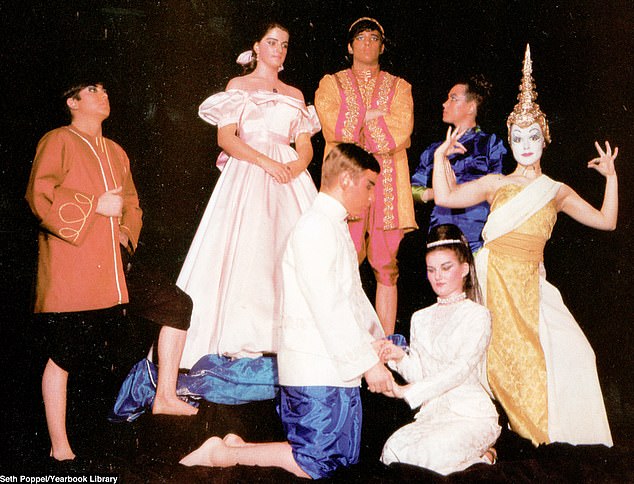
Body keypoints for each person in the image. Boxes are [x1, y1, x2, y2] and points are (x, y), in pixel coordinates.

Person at [432, 45, 615, 446]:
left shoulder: (557, 191)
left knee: (578, 355)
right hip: (493, 283)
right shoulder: (498, 183)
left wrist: (611, 176)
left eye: (533, 136)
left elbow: (607, 220)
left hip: (532, 288)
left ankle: (559, 437)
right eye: (517, 136)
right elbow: (445, 197)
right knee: (493, 363)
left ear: (544, 139)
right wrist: (440, 158)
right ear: (510, 140)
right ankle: (511, 438)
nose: (525, 143)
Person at [179, 143, 395, 479]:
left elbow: (351, 300)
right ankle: (222, 453)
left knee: (339, 461)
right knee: (316, 463)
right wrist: (369, 365)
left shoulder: (333, 226)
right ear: (346, 180)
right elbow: (329, 307)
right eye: (369, 186)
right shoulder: (315, 228)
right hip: (315, 371)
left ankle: (233, 447)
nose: (371, 198)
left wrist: (376, 345)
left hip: (337, 370)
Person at [177, 22, 321, 367]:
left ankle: (291, 338)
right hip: (251, 168)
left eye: (284, 44)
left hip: (289, 174)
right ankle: (240, 337)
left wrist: (295, 167)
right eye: (272, 42)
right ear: (257, 46)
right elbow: (227, 138)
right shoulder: (238, 85)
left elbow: (304, 145)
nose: (278, 49)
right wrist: (265, 162)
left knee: (293, 249)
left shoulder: (295, 94)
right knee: (249, 247)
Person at [25, 81, 143, 460]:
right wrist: (93, 205)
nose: (103, 95)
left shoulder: (117, 151)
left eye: (106, 89)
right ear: (72, 101)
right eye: (92, 90)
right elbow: (38, 195)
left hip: (107, 274)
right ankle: (59, 446)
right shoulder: (57, 140)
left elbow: (130, 203)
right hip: (69, 272)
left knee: (93, 356)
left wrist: (125, 231)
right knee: (63, 354)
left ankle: (91, 437)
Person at [315, 17, 416, 336]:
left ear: (382, 47)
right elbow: (333, 125)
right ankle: (339, 338)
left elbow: (400, 130)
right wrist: (373, 117)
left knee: (386, 265)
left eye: (374, 38)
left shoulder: (400, 86)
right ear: (349, 46)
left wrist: (359, 122)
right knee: (343, 260)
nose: (367, 44)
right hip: (346, 181)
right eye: (361, 38)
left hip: (389, 183)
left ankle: (386, 344)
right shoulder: (331, 83)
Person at [378, 224, 500, 475]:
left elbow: (459, 370)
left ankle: (485, 458)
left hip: (471, 415)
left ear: (465, 269)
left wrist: (405, 392)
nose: (438, 277)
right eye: (431, 270)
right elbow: (423, 375)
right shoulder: (420, 318)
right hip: (434, 415)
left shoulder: (478, 315)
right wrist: (398, 357)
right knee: (392, 453)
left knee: (426, 462)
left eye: (446, 268)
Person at [411, 75, 506, 252]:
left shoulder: (490, 144)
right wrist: (439, 192)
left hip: (478, 230)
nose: (444, 104)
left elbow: (500, 190)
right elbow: (412, 190)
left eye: (453, 99)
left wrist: (462, 189)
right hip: (442, 228)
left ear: (471, 107)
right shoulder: (434, 150)